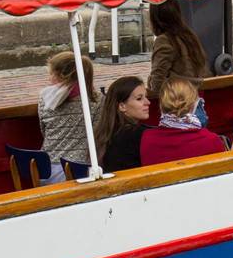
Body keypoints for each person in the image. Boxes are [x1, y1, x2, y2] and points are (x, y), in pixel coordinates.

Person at [140, 78, 233, 165]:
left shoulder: (147, 139)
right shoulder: (211, 140)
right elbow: (226, 175)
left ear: (161, 106)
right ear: (193, 106)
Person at [37, 50, 100, 180]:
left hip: (44, 170)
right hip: (80, 170)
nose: (49, 79)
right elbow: (98, 134)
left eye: (51, 74)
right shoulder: (96, 100)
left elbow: (44, 130)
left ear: (61, 76)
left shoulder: (44, 99)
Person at [146, 0, 209, 101]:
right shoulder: (189, 36)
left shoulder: (164, 40)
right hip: (195, 97)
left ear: (155, 18)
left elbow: (157, 83)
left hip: (177, 102)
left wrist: (150, 81)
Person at [95, 75, 150, 172]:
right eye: (139, 98)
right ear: (122, 106)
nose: (148, 102)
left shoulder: (105, 131)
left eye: (146, 97)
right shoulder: (137, 134)